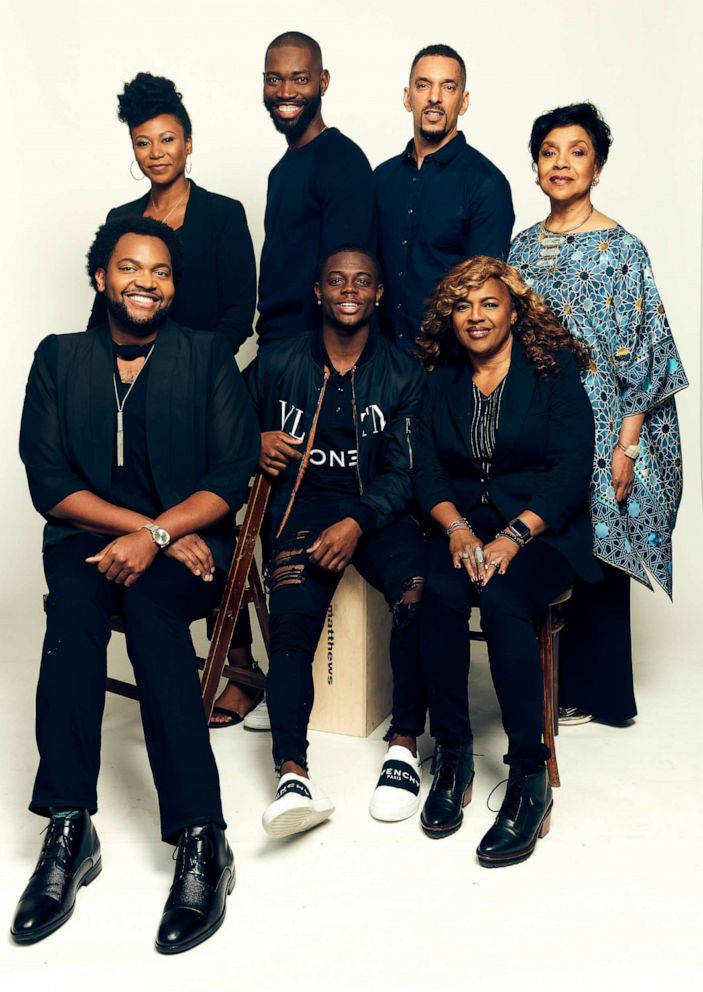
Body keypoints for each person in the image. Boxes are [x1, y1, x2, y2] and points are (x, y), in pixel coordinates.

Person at [12, 217, 259, 952]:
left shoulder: (205, 356)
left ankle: (201, 838)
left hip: (183, 551)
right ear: (101, 278)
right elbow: (49, 483)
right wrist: (140, 531)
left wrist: (160, 536)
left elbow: (229, 474)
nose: (145, 282)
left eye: (159, 271)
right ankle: (67, 826)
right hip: (92, 545)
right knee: (74, 620)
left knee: (153, 620)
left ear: (173, 286)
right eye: (129, 268)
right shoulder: (58, 359)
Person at [415, 256, 599, 867]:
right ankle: (454, 753)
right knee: (435, 595)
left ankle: (529, 775)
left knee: (503, 600)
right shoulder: (440, 381)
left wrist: (515, 535)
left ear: (514, 311)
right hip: (466, 527)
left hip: (544, 533)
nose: (476, 316)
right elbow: (428, 471)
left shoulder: (553, 374)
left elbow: (573, 471)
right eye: (464, 306)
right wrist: (457, 528)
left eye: (490, 303)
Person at [508, 102, 688, 726]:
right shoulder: (522, 248)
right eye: (550, 151)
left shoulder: (623, 249)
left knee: (602, 543)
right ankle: (546, 684)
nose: (562, 163)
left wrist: (628, 446)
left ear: (598, 166)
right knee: (551, 535)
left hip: (610, 422)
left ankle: (600, 694)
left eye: (577, 151)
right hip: (543, 423)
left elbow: (645, 348)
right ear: (536, 167)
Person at [245, 245, 427, 837]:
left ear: (378, 294)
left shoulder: (403, 371)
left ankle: (403, 745)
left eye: (362, 281)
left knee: (418, 594)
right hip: (300, 511)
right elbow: (220, 419)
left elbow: (404, 473)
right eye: (336, 280)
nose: (349, 289)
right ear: (318, 292)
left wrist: (358, 521)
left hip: (375, 512)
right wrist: (256, 439)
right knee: (291, 625)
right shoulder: (276, 362)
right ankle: (292, 774)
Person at [88, 71, 257, 354]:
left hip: (198, 373)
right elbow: (103, 309)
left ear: (187, 144)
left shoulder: (223, 214)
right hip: (128, 371)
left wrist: (203, 367)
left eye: (167, 139)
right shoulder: (119, 218)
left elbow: (238, 314)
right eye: (143, 143)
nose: (155, 153)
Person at [374, 44, 514, 356]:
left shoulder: (487, 184)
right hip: (381, 365)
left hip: (447, 368)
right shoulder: (380, 179)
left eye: (448, 87)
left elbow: (484, 291)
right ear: (407, 97)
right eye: (423, 85)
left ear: (463, 102)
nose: (434, 97)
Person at [257, 32, 376, 345]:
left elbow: (346, 285)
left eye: (299, 79)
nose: (285, 92)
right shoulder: (281, 170)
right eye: (274, 79)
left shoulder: (342, 162)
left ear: (322, 82)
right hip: (276, 344)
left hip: (313, 353)